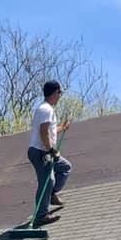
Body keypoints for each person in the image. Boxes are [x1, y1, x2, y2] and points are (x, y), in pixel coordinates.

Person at [27, 80, 72, 226]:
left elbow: (50, 131)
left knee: (64, 167)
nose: (60, 96)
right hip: (40, 151)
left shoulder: (46, 109)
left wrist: (62, 128)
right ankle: (41, 215)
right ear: (54, 93)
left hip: (45, 150)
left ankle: (51, 195)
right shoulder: (46, 109)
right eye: (60, 93)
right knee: (47, 181)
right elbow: (43, 132)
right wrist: (51, 150)